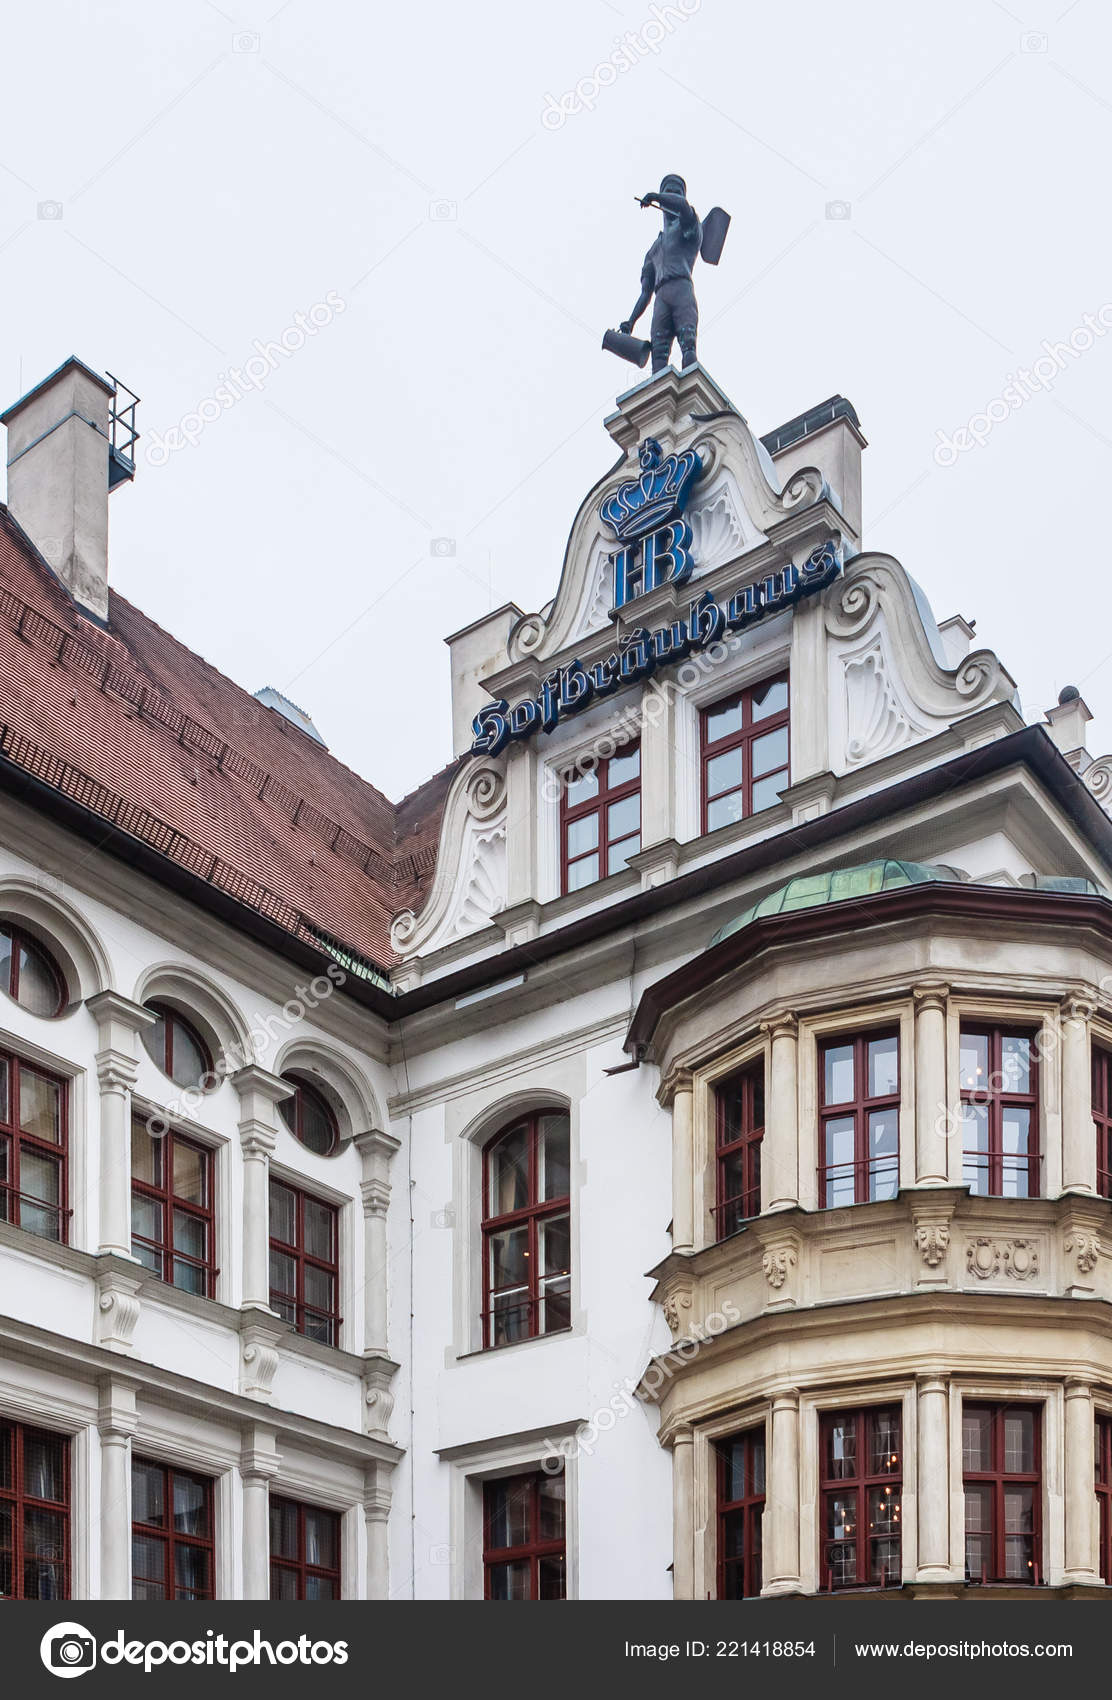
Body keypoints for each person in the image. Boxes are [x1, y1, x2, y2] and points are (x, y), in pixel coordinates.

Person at [620, 174, 703, 373]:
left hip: (682, 289)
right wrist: (631, 321)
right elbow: (645, 293)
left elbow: (683, 206)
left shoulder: (689, 228)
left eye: (677, 192)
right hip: (661, 298)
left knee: (688, 344)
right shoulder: (653, 251)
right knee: (658, 354)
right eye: (669, 191)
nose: (673, 196)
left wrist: (657, 196)